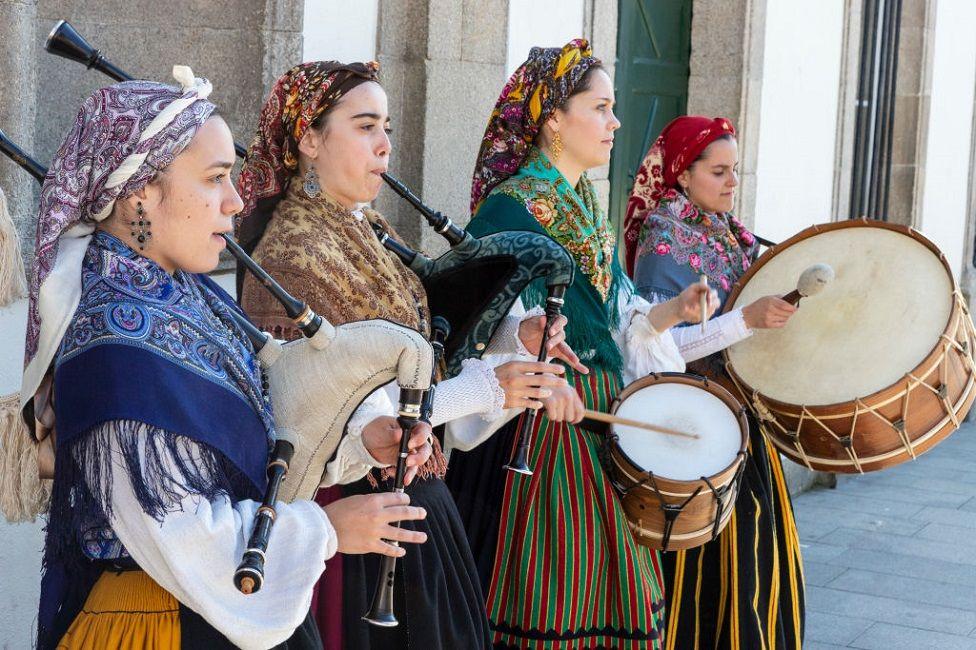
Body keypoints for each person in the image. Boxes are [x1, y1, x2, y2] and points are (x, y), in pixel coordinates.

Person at [24, 68, 432, 650]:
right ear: (142, 193)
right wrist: (327, 530)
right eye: (216, 179)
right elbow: (183, 536)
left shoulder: (186, 296)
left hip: (223, 609)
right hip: (163, 622)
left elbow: (249, 446)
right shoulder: (112, 341)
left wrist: (355, 446)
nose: (237, 201)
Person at [235, 60, 582, 649]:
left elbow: (417, 358)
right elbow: (334, 419)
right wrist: (490, 388)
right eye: (366, 127)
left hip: (409, 506)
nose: (385, 145)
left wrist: (509, 343)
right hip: (357, 530)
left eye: (387, 128)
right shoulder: (292, 257)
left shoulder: (364, 229)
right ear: (309, 139)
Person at [452, 39, 736, 649]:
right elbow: (470, 328)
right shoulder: (509, 209)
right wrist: (526, 345)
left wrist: (674, 311)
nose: (616, 122)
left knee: (615, 591)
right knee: (556, 600)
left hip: (599, 418)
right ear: (554, 117)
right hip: (541, 429)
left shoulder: (584, 201)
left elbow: (616, 315)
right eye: (601, 108)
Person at [623, 115, 804, 649]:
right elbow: (661, 349)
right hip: (695, 430)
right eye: (718, 171)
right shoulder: (665, 242)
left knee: (760, 563)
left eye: (735, 171)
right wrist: (745, 319)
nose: (731, 183)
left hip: (741, 419)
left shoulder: (730, 234)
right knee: (711, 581)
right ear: (682, 175)